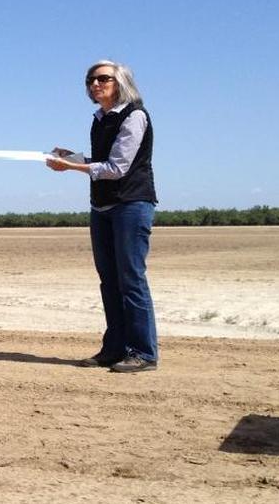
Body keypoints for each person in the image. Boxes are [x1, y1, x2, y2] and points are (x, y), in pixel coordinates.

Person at [47, 60, 159, 373]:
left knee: (131, 280)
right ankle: (114, 348)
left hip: (131, 204)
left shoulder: (134, 115)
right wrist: (70, 157)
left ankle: (143, 353)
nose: (95, 84)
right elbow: (100, 160)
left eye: (103, 78)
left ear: (120, 81)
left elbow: (117, 168)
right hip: (103, 207)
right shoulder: (100, 119)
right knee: (109, 281)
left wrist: (70, 168)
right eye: (90, 80)